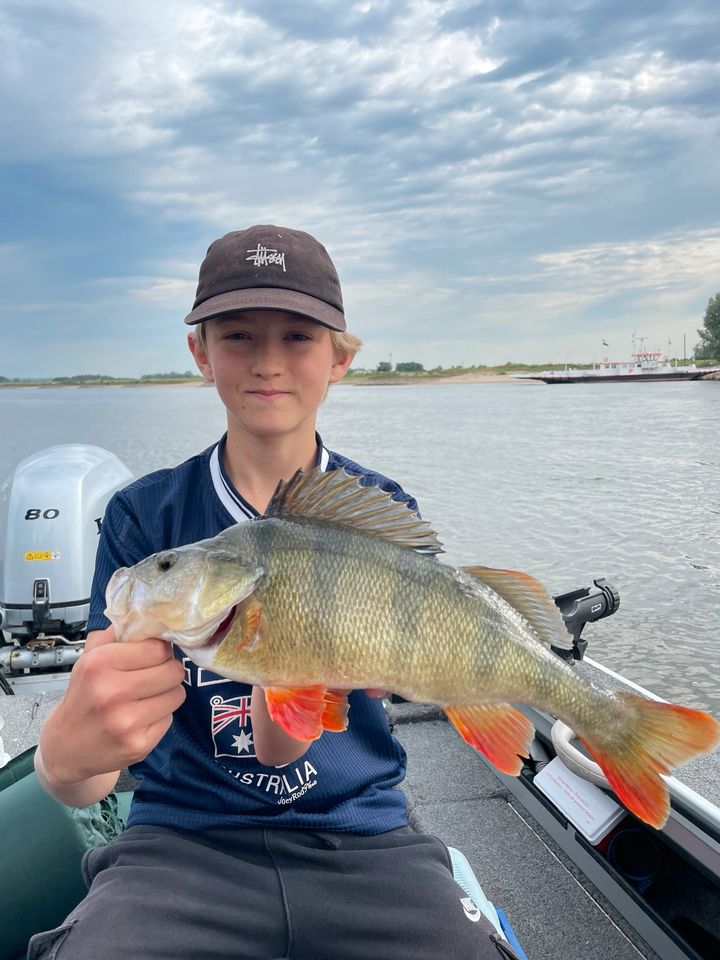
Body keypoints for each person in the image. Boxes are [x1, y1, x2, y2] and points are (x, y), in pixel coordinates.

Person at [31, 225, 513, 959]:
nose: (267, 361)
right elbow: (91, 770)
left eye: (297, 336)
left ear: (340, 358)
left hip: (363, 830)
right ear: (200, 352)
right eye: (237, 336)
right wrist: (64, 762)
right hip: (182, 839)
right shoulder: (143, 518)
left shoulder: (381, 506)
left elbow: (285, 738)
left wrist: (301, 685)